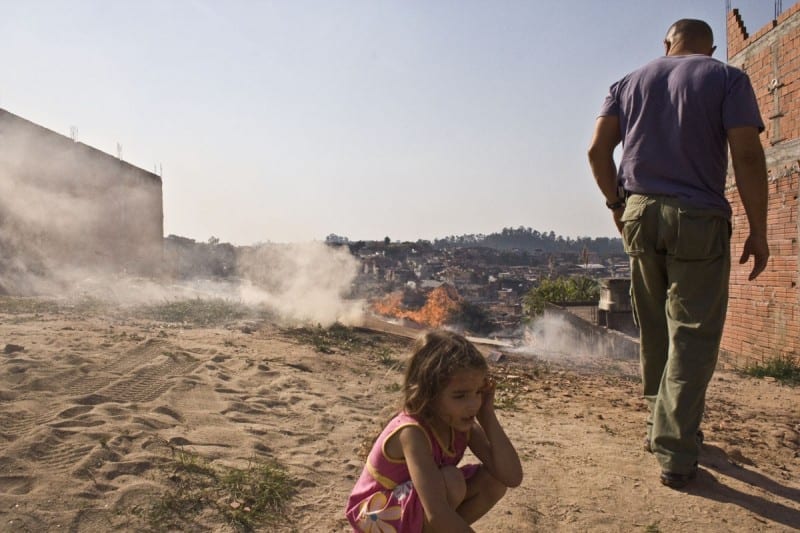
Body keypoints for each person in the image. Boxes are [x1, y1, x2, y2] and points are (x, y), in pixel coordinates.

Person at [588, 18, 769, 489]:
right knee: (692, 336)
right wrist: (759, 229)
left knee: (654, 329)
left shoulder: (627, 83)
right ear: (711, 48)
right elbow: (748, 155)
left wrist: (616, 205)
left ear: (667, 43)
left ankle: (661, 426)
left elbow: (597, 152)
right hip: (698, 218)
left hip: (639, 213)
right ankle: (675, 450)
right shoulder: (727, 79)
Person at [345, 330, 523, 531]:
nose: (473, 404)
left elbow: (511, 477)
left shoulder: (461, 425)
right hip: (376, 517)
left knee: (492, 480)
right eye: (460, 396)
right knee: (451, 481)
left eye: (478, 392)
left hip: (413, 508)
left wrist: (488, 415)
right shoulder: (412, 433)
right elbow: (436, 513)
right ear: (428, 394)